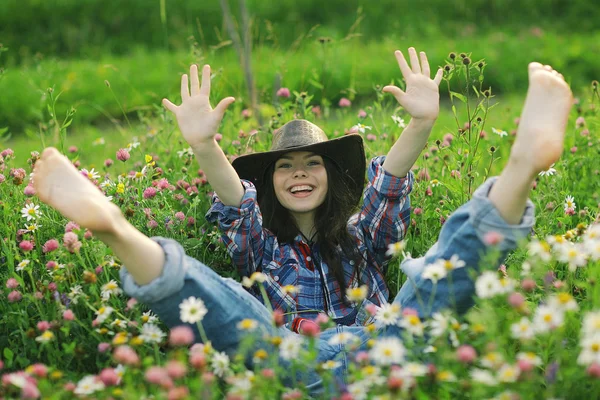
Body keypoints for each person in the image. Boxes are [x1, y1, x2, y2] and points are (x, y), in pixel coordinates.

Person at [31, 48, 573, 395]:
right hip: (289, 363)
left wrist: (422, 122)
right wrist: (204, 145)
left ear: (331, 177)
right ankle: (113, 228)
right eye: (284, 167)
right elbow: (234, 198)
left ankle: (521, 164)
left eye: (312, 163)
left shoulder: (364, 235)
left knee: (437, 278)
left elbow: (389, 185)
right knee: (223, 299)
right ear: (269, 184)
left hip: (387, 353)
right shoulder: (261, 246)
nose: (298, 173)